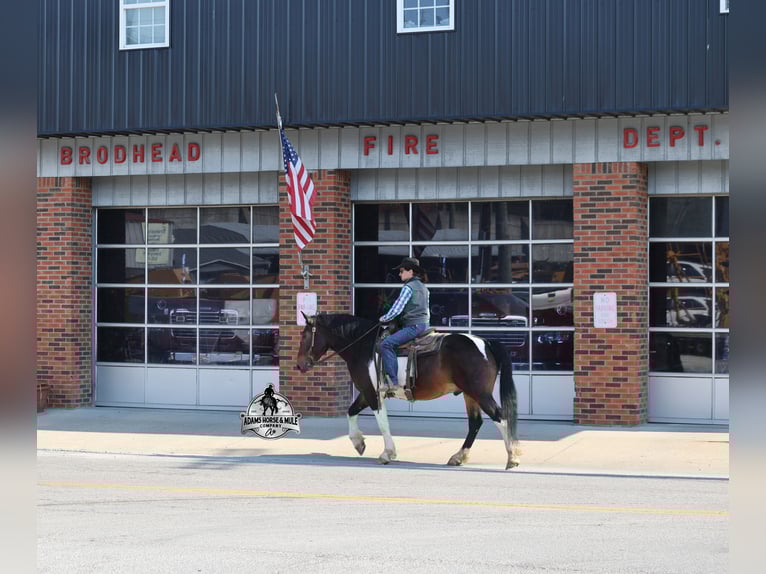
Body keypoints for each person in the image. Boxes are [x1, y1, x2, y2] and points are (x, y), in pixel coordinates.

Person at [379, 257, 430, 391]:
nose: (400, 274)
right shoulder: (424, 287)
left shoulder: (408, 287)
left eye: (402, 271)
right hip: (424, 325)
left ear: (410, 271)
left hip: (413, 326)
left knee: (386, 344)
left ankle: (392, 382)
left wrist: (383, 319)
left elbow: (397, 308)